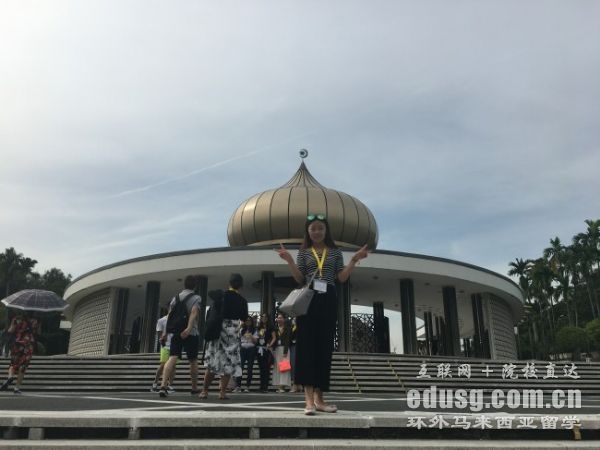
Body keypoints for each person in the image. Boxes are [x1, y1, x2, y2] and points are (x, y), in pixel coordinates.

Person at [276, 213, 368, 415]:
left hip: (328, 299)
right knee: (306, 348)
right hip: (309, 300)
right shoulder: (304, 253)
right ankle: (308, 400)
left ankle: (320, 399)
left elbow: (341, 278)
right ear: (308, 232)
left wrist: (353, 260)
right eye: (313, 229)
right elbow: (300, 278)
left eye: (320, 228)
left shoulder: (335, 253)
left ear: (326, 231)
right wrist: (289, 260)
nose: (317, 232)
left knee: (324, 349)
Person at [199, 273, 248, 400]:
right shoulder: (242, 300)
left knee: (212, 362)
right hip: (232, 332)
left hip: (218, 330)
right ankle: (222, 392)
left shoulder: (221, 296)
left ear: (229, 284)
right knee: (229, 363)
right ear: (241, 286)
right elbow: (244, 317)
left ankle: (204, 391)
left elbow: (212, 311)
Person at [158, 275, 201, 397]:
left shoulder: (175, 298)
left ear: (184, 284)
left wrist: (165, 333)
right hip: (191, 333)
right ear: (195, 286)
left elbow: (170, 316)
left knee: (172, 357)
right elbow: (194, 313)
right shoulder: (196, 298)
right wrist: (188, 328)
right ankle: (194, 387)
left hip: (176, 332)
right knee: (193, 360)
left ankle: (163, 385)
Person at [0, 312, 41, 394]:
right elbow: (38, 333)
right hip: (28, 346)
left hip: (17, 345)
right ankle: (16, 388)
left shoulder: (16, 319)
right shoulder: (35, 321)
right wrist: (38, 324)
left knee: (12, 364)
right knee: (23, 368)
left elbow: (10, 331)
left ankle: (10, 377)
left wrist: (13, 323)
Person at [150, 307, 175, 393]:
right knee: (163, 364)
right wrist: (162, 341)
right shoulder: (161, 320)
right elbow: (159, 333)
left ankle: (170, 385)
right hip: (165, 346)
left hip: (175, 345)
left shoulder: (177, 320)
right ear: (168, 309)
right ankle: (155, 383)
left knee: (173, 366)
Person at [236, 316, 258, 392]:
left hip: (251, 349)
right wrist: (240, 326)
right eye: (247, 320)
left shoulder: (254, 330)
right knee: (240, 367)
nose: (248, 322)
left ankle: (247, 386)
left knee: (250, 368)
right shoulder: (242, 330)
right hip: (243, 348)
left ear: (252, 322)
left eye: (249, 320)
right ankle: (238, 386)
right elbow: (236, 337)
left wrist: (251, 336)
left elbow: (256, 341)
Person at [256, 313, 276, 393]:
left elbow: (274, 337)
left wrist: (270, 344)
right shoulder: (259, 327)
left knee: (266, 368)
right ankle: (261, 386)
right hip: (259, 348)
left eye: (265, 317)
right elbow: (257, 337)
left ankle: (266, 386)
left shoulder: (271, 327)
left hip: (267, 349)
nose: (263, 318)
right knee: (261, 368)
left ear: (268, 318)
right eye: (262, 317)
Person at [272, 312, 291, 393]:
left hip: (284, 349)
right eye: (278, 318)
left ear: (284, 319)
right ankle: (279, 385)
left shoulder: (287, 328)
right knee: (277, 367)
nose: (279, 319)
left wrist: (285, 351)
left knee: (284, 367)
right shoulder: (275, 328)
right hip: (277, 349)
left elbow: (287, 340)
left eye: (281, 318)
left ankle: (282, 386)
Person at [289, 317, 302, 393]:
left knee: (298, 365)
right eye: (293, 319)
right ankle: (296, 384)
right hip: (292, 347)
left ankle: (298, 384)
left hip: (299, 347)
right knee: (293, 365)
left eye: (295, 319)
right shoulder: (291, 328)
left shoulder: (301, 327)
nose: (294, 321)